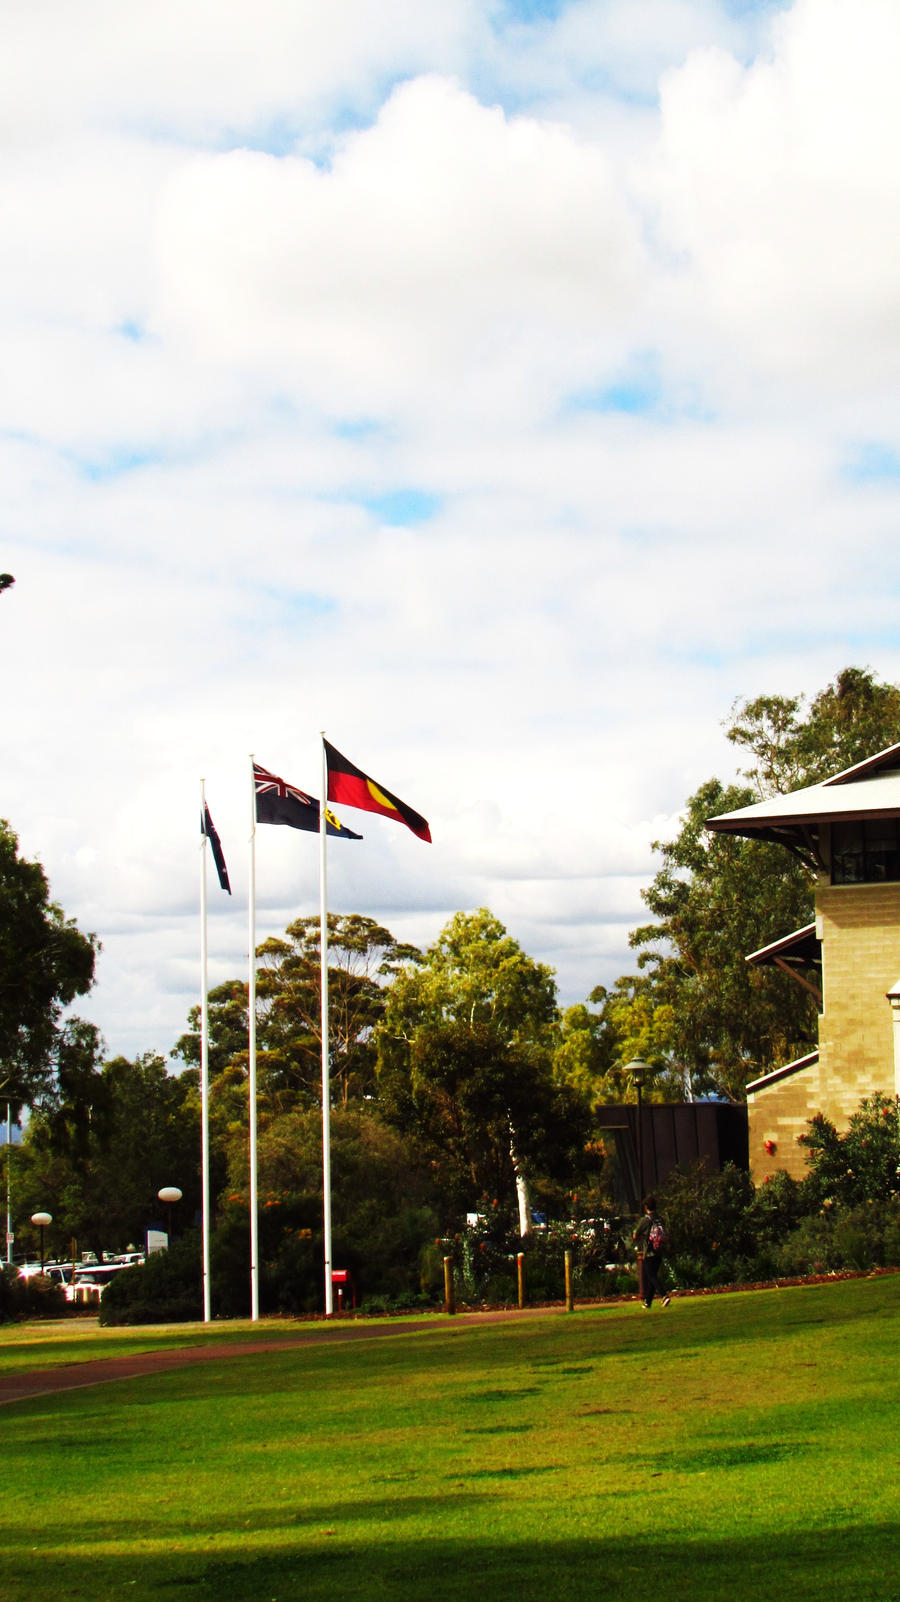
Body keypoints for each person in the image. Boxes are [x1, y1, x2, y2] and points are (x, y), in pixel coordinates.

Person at [632, 1195, 671, 1310]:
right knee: (652, 1278)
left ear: (645, 1207)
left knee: (652, 1276)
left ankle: (664, 1295)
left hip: (649, 1252)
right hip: (659, 1251)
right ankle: (648, 1303)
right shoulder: (660, 1219)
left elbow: (635, 1235)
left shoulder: (645, 1220)